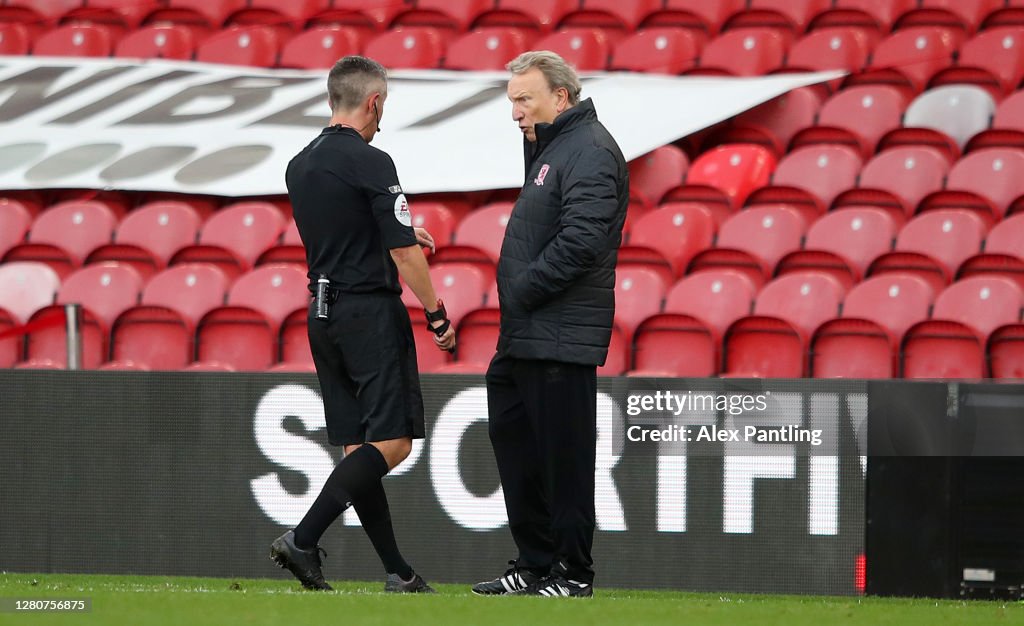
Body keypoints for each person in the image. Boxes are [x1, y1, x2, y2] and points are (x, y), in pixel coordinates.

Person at [270, 55, 455, 594]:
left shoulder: (301, 163)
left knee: (360, 452)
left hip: (322, 314)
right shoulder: (373, 160)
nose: (382, 121)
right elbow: (402, 253)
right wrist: (436, 312)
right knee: (394, 443)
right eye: (383, 108)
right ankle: (303, 539)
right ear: (373, 102)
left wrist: (394, 231)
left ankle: (399, 574)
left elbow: (342, 231)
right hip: (367, 313)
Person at [472, 51, 629, 598]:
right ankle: (535, 563)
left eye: (524, 98)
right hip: (527, 335)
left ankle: (573, 573)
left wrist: (522, 289)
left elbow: (583, 240)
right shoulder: (555, 147)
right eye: (512, 99)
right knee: (518, 451)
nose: (514, 111)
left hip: (560, 338)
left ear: (560, 97)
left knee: (563, 462)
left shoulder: (588, 149)